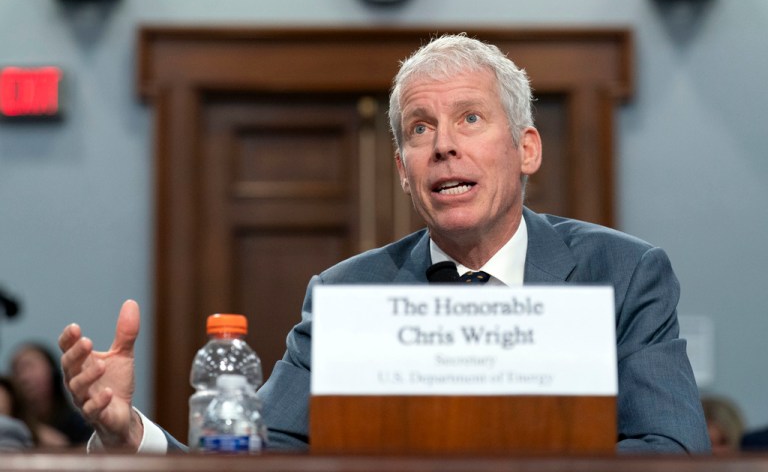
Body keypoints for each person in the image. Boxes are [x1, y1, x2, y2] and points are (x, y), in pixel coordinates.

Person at [58, 33, 710, 454]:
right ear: (404, 170)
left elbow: (673, 453)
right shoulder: (346, 294)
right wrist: (130, 435)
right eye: (421, 129)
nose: (444, 144)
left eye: (471, 119)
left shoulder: (622, 275)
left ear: (527, 148)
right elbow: (266, 460)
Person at [10, 343, 92, 447]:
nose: (24, 377)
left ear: (52, 372)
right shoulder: (11, 425)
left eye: (29, 367)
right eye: (17, 370)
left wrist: (65, 447)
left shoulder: (77, 423)